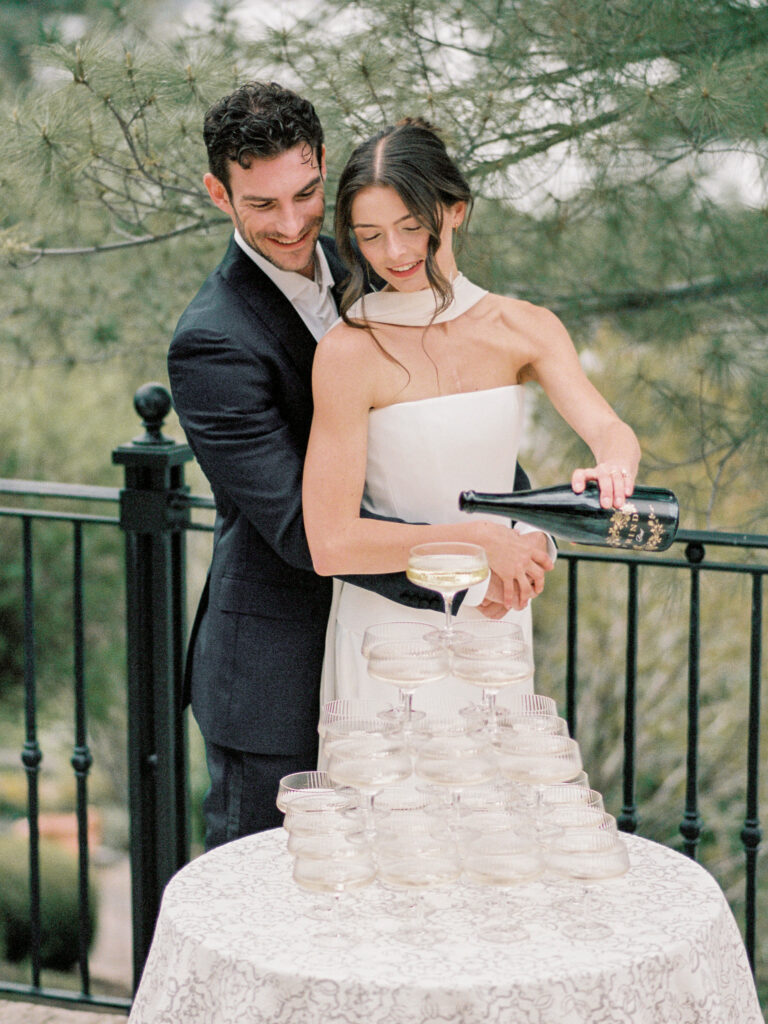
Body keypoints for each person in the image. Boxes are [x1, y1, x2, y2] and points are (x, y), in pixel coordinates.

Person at [167, 85, 543, 848]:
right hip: (282, 677)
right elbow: (304, 532)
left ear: (325, 166)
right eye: (262, 204)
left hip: (404, 661)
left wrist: (524, 529)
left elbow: (441, 411)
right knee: (275, 913)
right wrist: (471, 560)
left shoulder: (373, 259)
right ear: (218, 193)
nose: (293, 221)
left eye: (306, 194)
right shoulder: (211, 341)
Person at [302, 118, 641, 712]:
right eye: (371, 235)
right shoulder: (348, 351)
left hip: (498, 613)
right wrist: (479, 542)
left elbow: (609, 429)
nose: (396, 252)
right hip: (389, 638)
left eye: (412, 227)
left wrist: (613, 466)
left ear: (454, 209)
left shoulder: (525, 326)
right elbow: (331, 543)